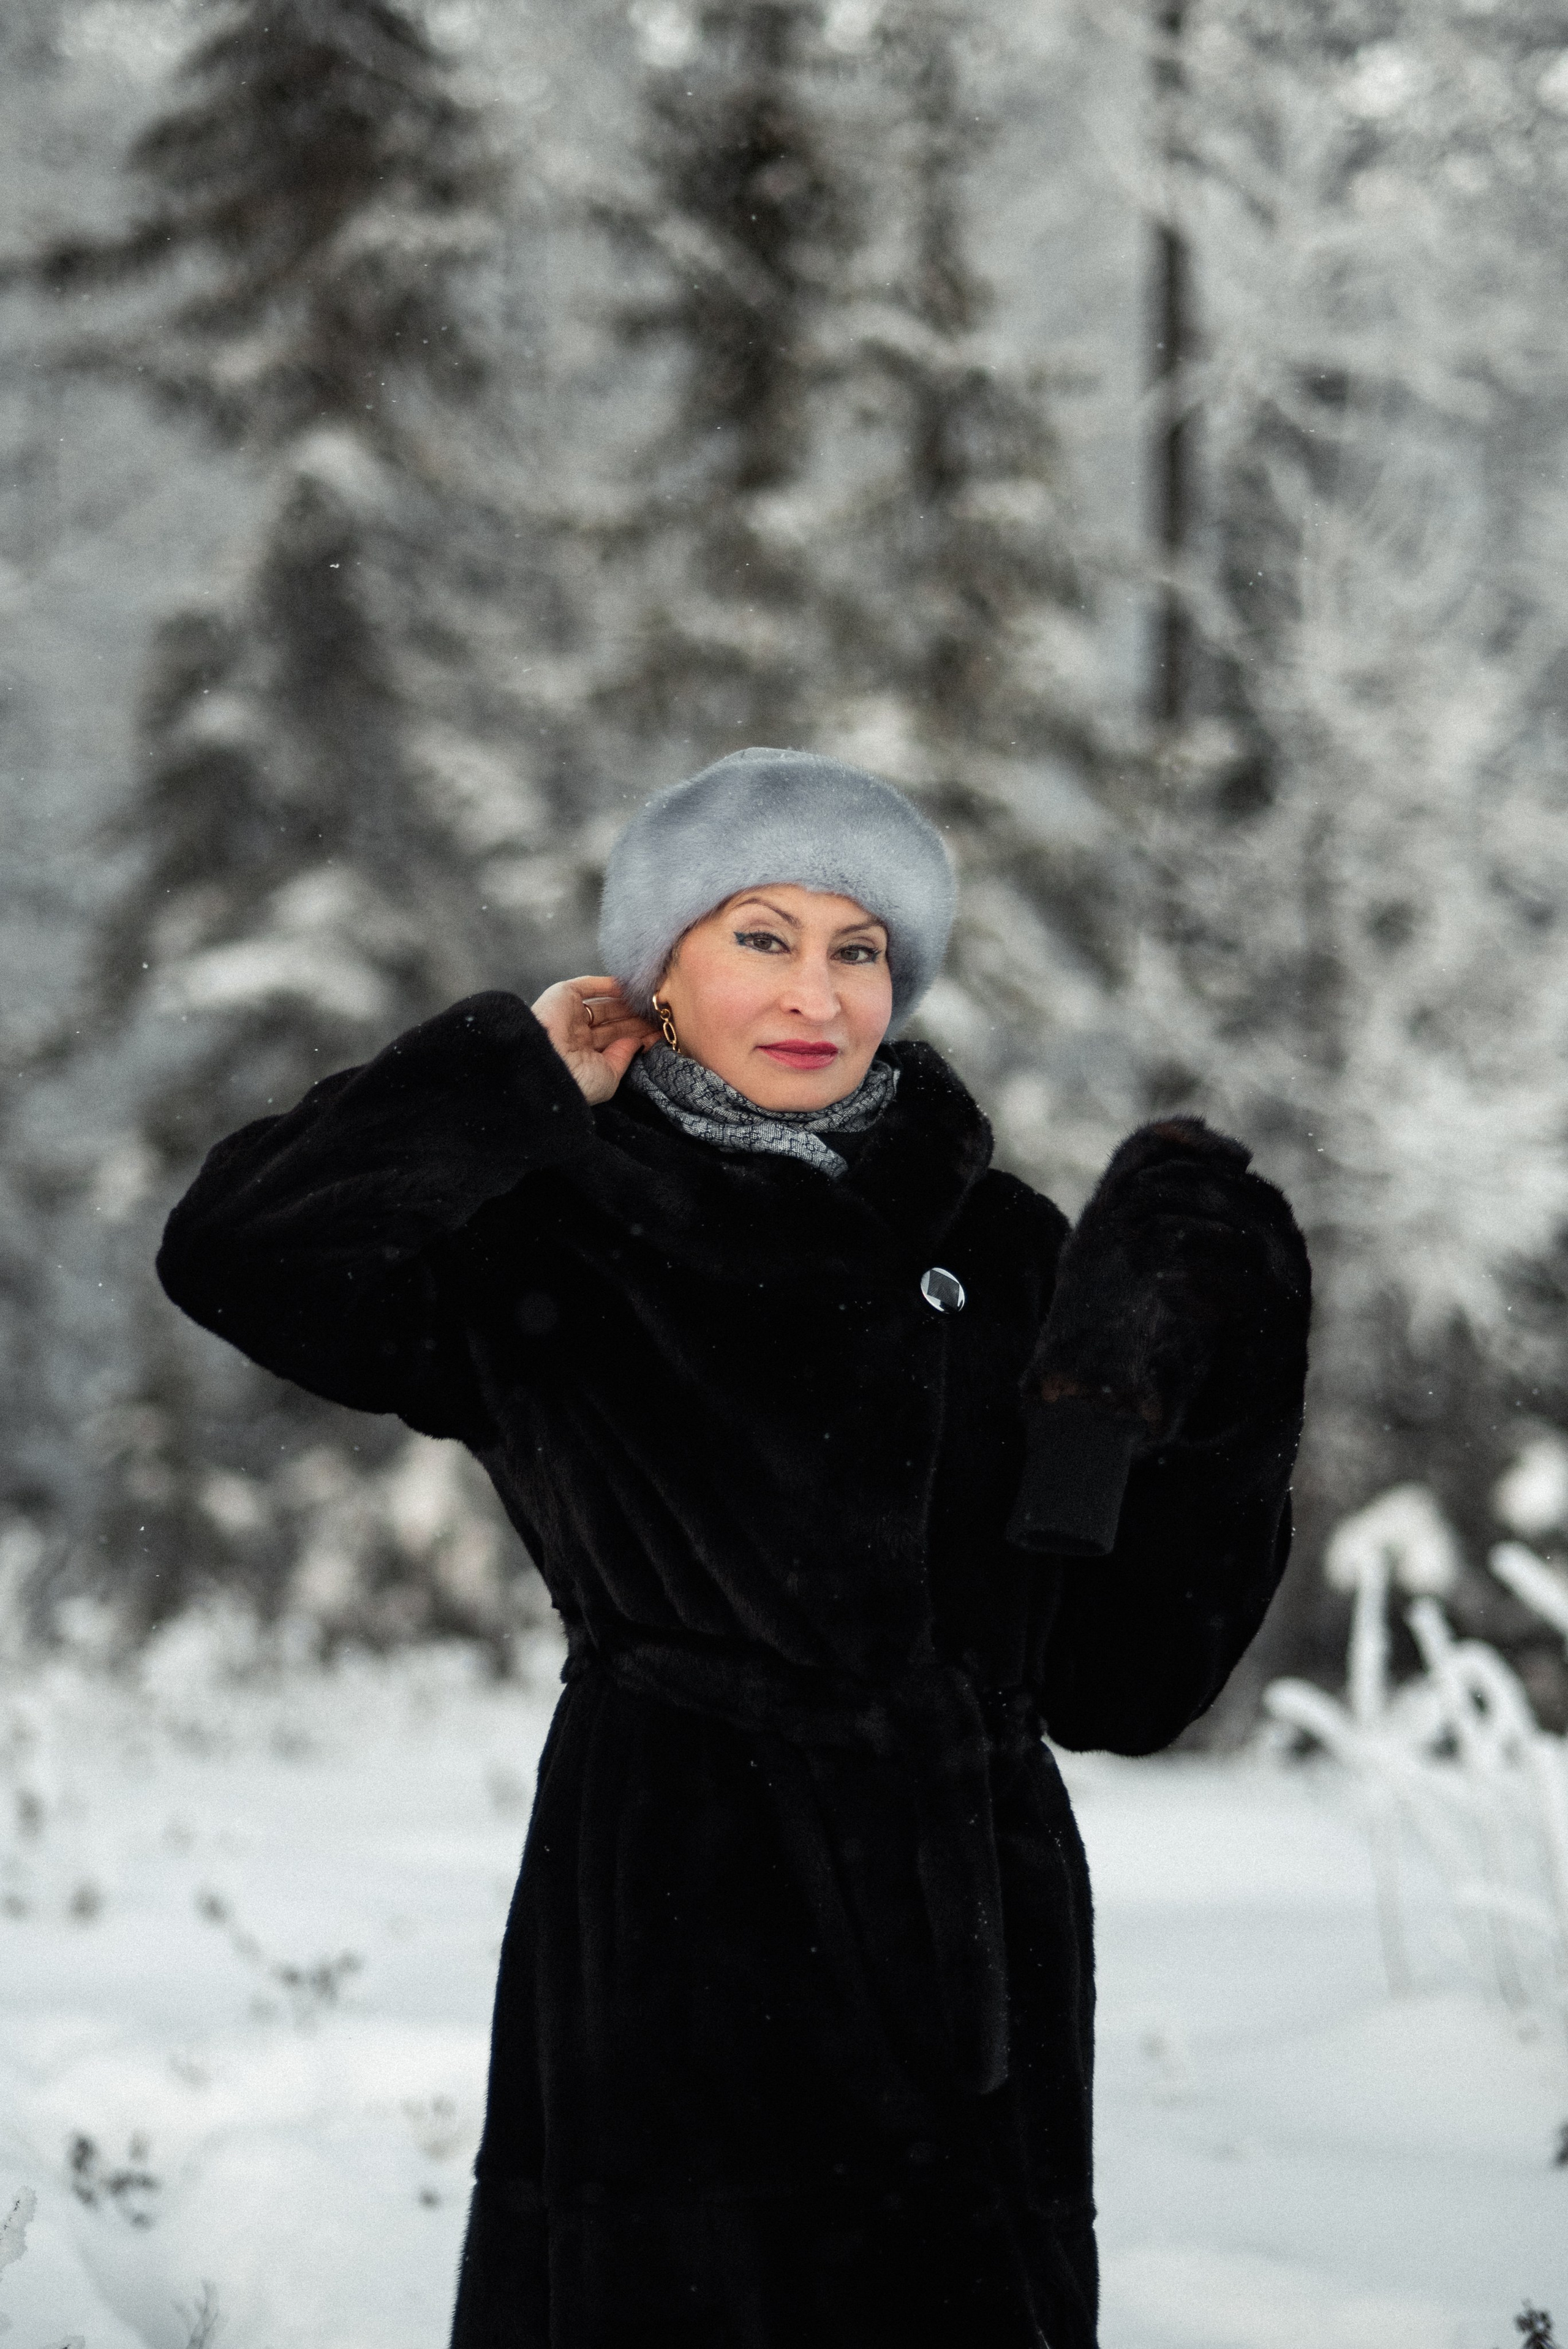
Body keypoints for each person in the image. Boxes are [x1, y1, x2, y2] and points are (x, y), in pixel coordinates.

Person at [156, 746, 1310, 2349]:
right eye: (761, 934)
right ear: (660, 970)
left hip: (970, 1939)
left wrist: (1235, 1342)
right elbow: (235, 1250)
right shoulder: (547, 1229)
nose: (816, 991)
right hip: (677, 1907)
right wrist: (507, 1076)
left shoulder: (1004, 1246)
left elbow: (1127, 1673)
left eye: (859, 949)